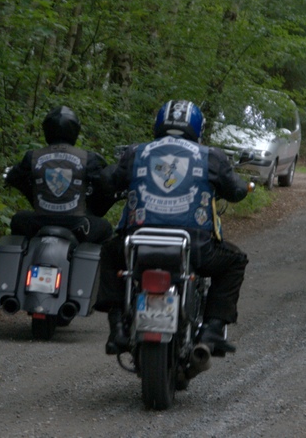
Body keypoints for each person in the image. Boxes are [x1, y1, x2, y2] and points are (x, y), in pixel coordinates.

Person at [95, 99, 251, 357]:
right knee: (234, 262)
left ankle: (118, 328)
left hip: (137, 244)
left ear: (158, 123)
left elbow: (109, 181)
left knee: (109, 253)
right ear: (197, 127)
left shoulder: (137, 152)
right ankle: (212, 329)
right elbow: (235, 190)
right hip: (195, 246)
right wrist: (241, 188)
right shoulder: (211, 156)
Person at [5, 106, 114, 243]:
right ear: (75, 130)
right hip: (76, 224)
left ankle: (21, 260)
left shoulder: (32, 157)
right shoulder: (88, 158)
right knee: (106, 228)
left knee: (17, 220)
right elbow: (103, 183)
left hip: (39, 222)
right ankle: (98, 264)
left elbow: (14, 177)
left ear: (47, 130)